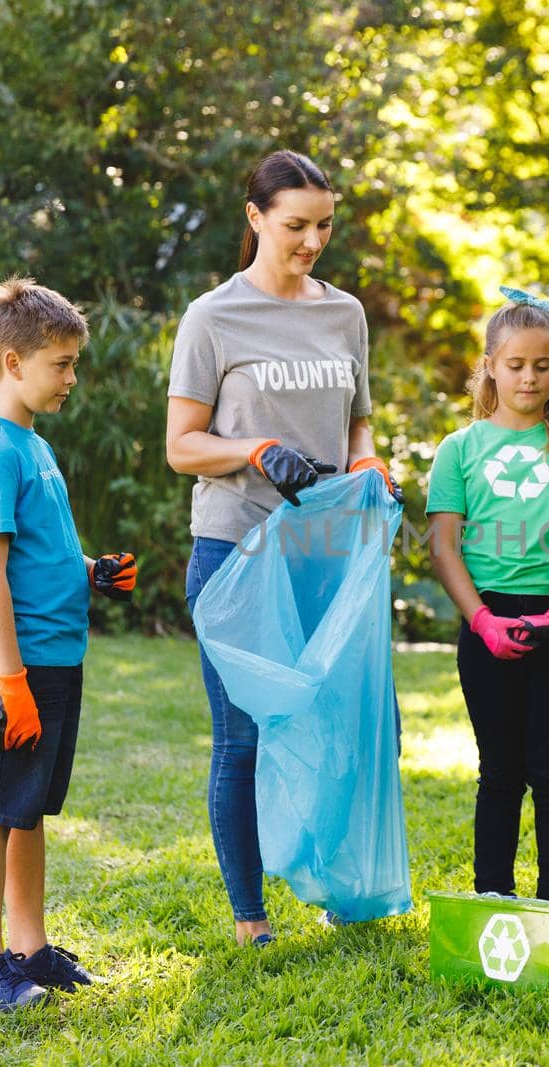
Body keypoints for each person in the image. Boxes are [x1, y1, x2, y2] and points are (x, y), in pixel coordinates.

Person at [165, 150, 400, 946]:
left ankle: (337, 890)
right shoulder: (213, 317)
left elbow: (358, 419)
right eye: (295, 224)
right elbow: (181, 444)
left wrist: (367, 459)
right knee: (245, 735)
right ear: (255, 217)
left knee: (335, 722)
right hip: (237, 552)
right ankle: (250, 917)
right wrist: (257, 447)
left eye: (324, 225)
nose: (311, 241)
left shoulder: (345, 315)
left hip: (326, 552)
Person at [0, 277, 138, 1009]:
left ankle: (30, 947)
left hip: (54, 659)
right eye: (60, 363)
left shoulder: (31, 444)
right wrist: (11, 681)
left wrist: (91, 571)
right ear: (11, 362)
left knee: (26, 807)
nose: (71, 378)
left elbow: (35, 554)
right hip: (15, 666)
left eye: (73, 363)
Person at [427, 287, 549, 905]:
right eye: (515, 365)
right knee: (500, 772)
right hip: (488, 620)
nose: (530, 377)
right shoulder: (459, 450)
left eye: (543, 364)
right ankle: (493, 900)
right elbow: (443, 547)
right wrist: (482, 621)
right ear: (489, 366)